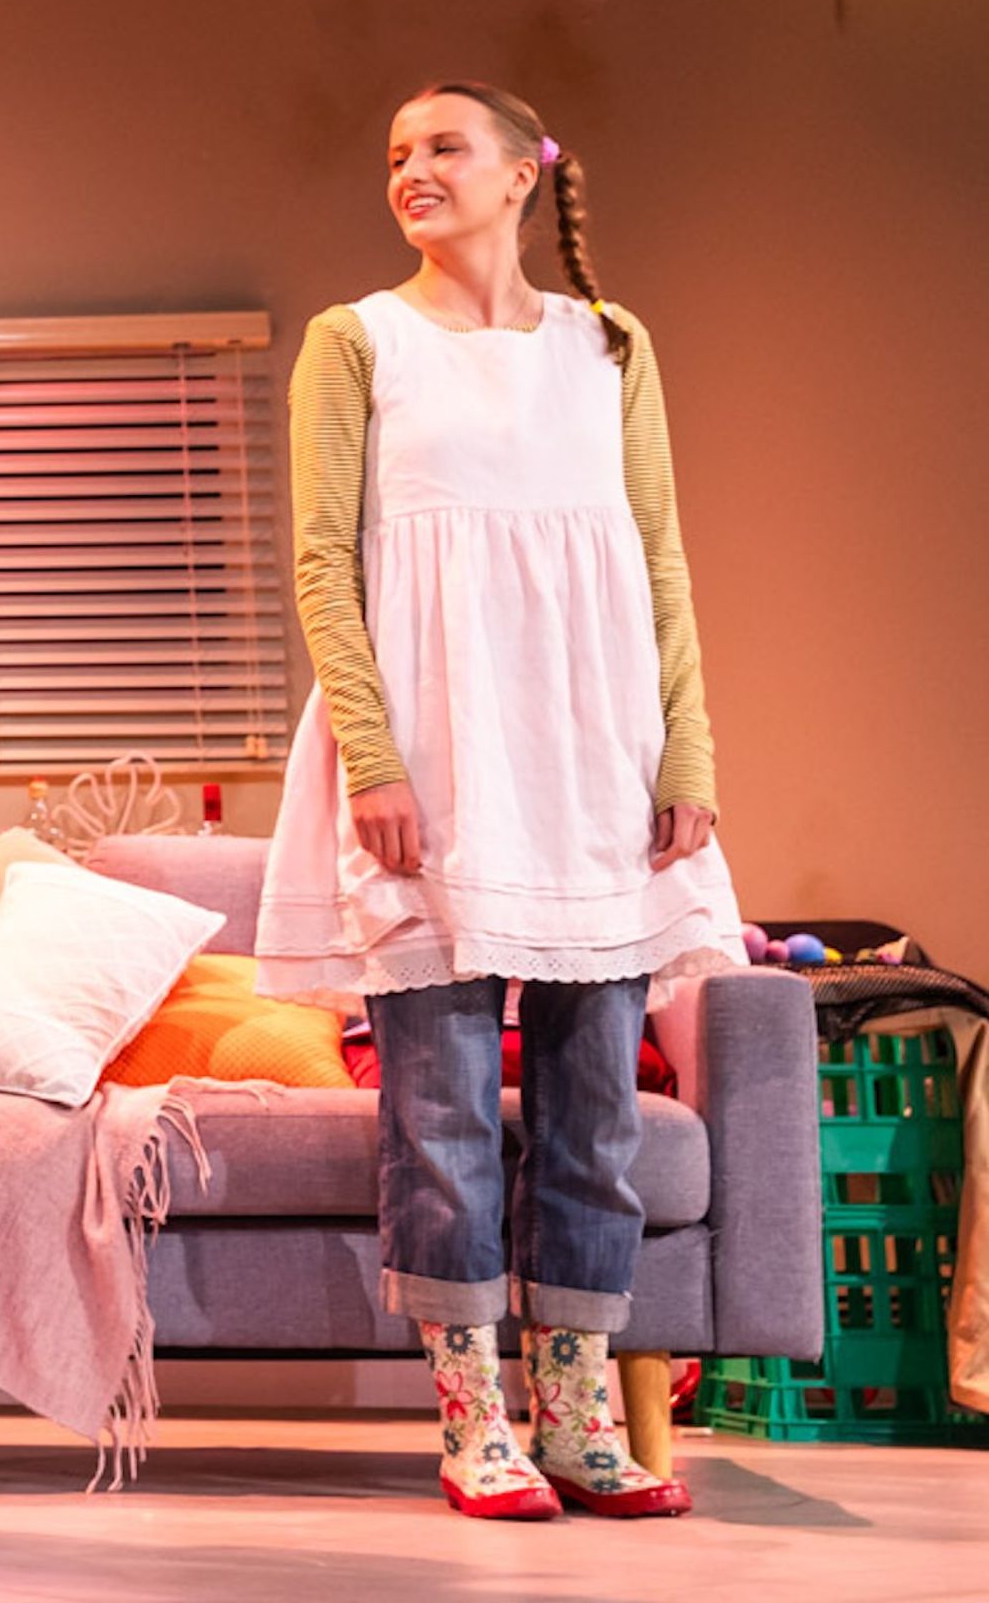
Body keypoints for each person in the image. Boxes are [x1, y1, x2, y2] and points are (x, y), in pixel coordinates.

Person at [255, 82, 738, 1522]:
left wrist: (690, 757)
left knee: (594, 1108)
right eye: (393, 150)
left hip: (594, 754)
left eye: (443, 147)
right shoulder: (358, 343)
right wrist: (375, 760)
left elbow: (660, 558)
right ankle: (475, 1418)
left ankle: (582, 1414)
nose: (411, 169)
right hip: (438, 758)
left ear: (525, 172)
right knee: (444, 1114)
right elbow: (325, 570)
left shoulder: (610, 346)